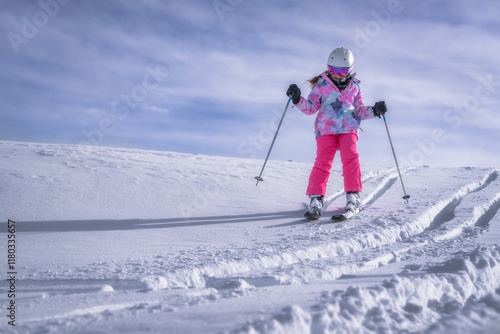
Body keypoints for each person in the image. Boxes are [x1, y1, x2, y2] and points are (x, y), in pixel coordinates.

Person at [286, 47, 387, 219]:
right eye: (333, 70)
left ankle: (353, 196)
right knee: (322, 161)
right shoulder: (322, 85)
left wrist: (375, 110)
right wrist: (297, 99)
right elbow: (311, 108)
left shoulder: (355, 86)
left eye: (342, 70)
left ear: (350, 70)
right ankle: (316, 199)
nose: (338, 74)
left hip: (349, 127)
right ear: (328, 68)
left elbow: (360, 110)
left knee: (351, 158)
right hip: (326, 128)